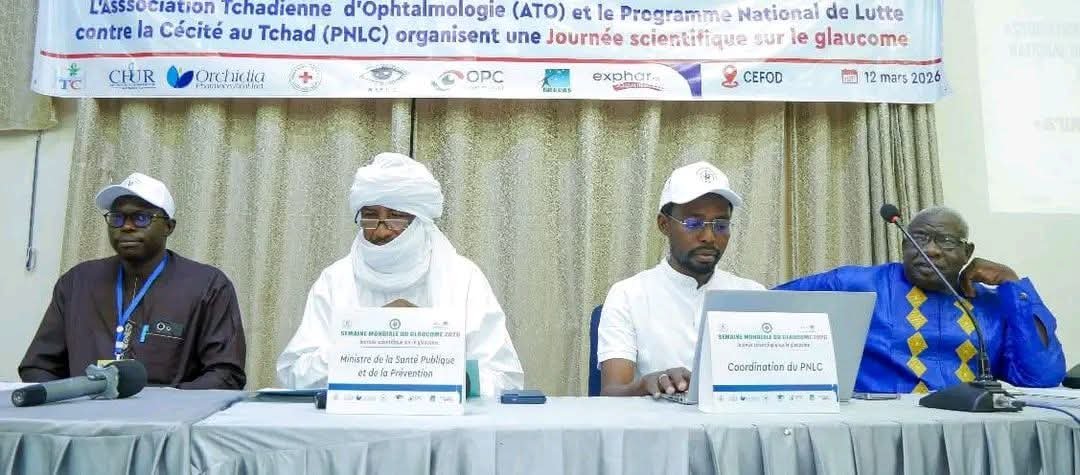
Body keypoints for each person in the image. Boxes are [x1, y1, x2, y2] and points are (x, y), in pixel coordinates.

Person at [276, 152, 524, 395]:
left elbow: (504, 378)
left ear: (421, 220)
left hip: (439, 421)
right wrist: (369, 335)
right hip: (355, 420)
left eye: (396, 217)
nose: (381, 231)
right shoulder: (335, 280)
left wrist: (427, 346)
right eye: (370, 217)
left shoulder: (463, 278)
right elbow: (295, 375)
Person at [776, 206, 1066, 392]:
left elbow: (1041, 377)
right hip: (882, 431)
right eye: (920, 239)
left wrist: (1013, 285)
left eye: (946, 241)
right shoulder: (857, 285)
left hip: (968, 433)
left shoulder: (993, 304)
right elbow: (770, 304)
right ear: (905, 246)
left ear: (967, 252)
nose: (931, 250)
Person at [19, 173, 247, 389]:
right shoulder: (77, 282)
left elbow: (226, 374)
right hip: (83, 413)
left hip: (168, 415)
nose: (127, 227)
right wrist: (69, 400)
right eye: (117, 218)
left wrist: (162, 404)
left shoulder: (207, 285)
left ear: (169, 227)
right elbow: (38, 366)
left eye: (141, 218)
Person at [597, 162, 765, 397]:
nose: (709, 237)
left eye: (721, 225)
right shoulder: (628, 295)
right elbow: (611, 394)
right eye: (693, 223)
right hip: (655, 420)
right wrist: (645, 385)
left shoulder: (754, 296)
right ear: (664, 225)